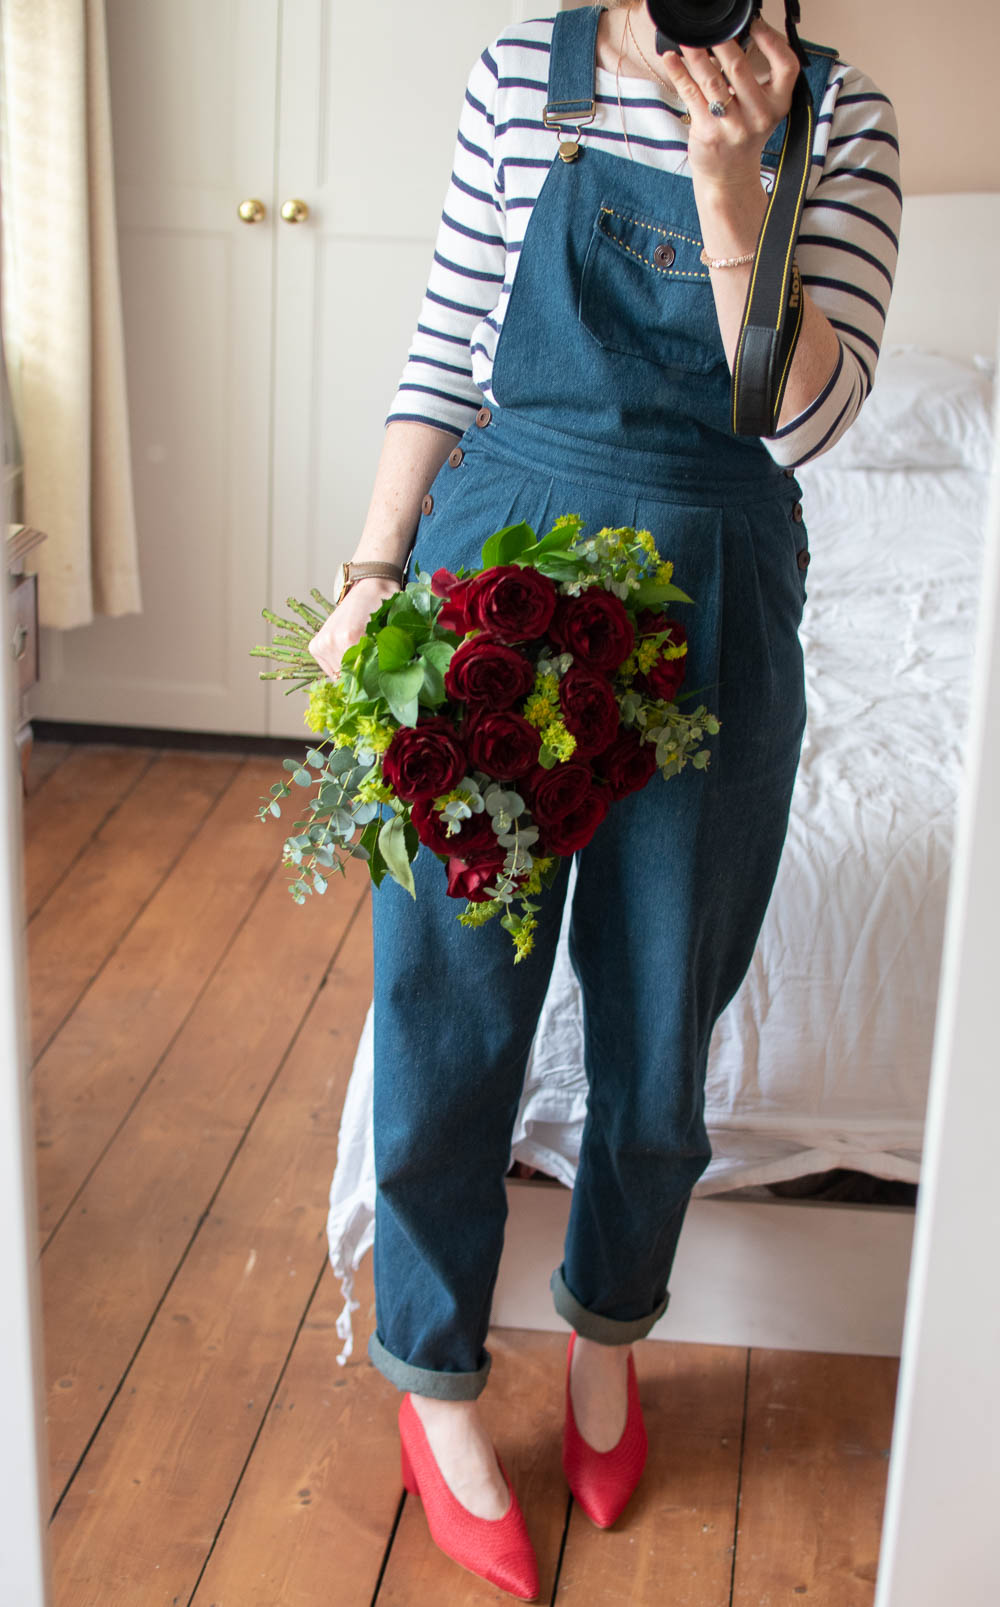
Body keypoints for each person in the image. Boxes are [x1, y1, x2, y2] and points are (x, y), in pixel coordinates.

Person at [307, 3, 901, 1599]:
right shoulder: (523, 73)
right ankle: (437, 1383)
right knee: (448, 1000)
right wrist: (376, 568)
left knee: (659, 1023)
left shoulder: (843, 118)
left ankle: (609, 1339)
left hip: (712, 578)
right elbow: (445, 344)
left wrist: (733, 192)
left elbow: (811, 422)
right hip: (495, 559)